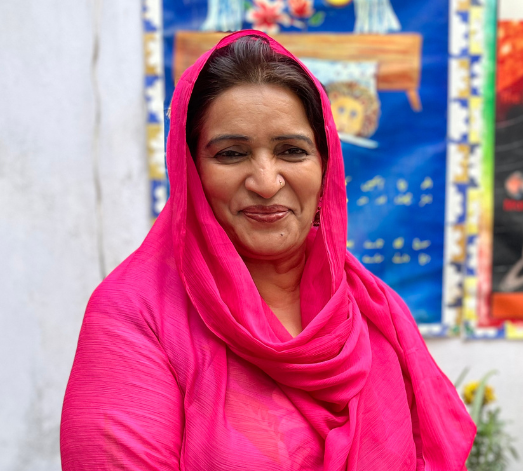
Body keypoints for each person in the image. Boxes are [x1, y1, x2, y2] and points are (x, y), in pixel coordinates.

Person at [60, 31, 475, 470]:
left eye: (292, 151)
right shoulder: (135, 316)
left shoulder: (372, 310)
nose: (265, 181)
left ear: (325, 165)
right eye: (232, 153)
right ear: (191, 171)